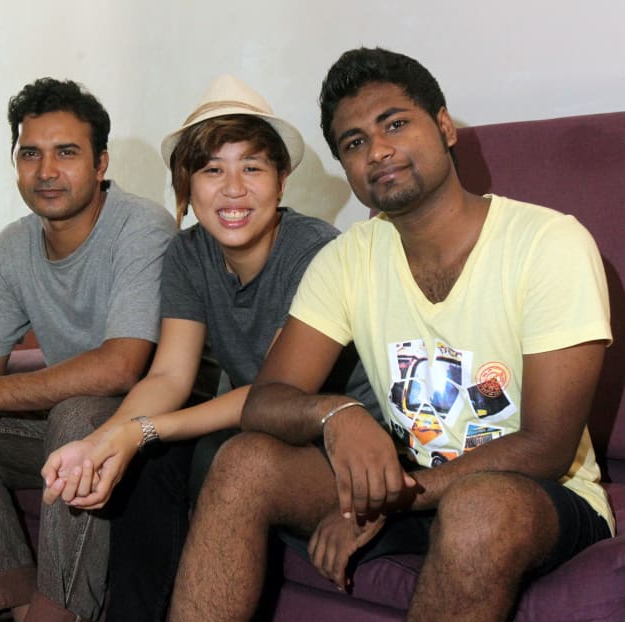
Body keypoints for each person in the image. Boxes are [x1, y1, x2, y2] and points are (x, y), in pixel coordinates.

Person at [170, 47, 614, 621]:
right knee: (243, 461)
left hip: (533, 496)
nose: (377, 150)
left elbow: (547, 447)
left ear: (445, 127)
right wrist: (337, 415)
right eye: (353, 143)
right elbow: (267, 400)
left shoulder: (548, 243)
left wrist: (387, 503)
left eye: (395, 124)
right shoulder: (349, 257)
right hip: (406, 482)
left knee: (479, 507)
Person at [40, 75, 377, 621]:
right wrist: (106, 442)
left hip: (326, 432)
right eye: (212, 169)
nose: (234, 189)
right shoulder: (189, 254)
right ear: (187, 186)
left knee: (196, 452)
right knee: (148, 460)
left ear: (281, 181)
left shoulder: (314, 251)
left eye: (252, 168)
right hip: (257, 420)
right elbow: (169, 376)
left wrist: (138, 430)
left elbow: (271, 396)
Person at [0, 77, 175, 622]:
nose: (47, 171)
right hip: (69, 435)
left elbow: (122, 366)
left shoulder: (140, 226)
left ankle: (61, 612)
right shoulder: (13, 245)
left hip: (154, 433)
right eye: (30, 154)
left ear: (101, 164)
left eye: (66, 153)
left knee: (77, 415)